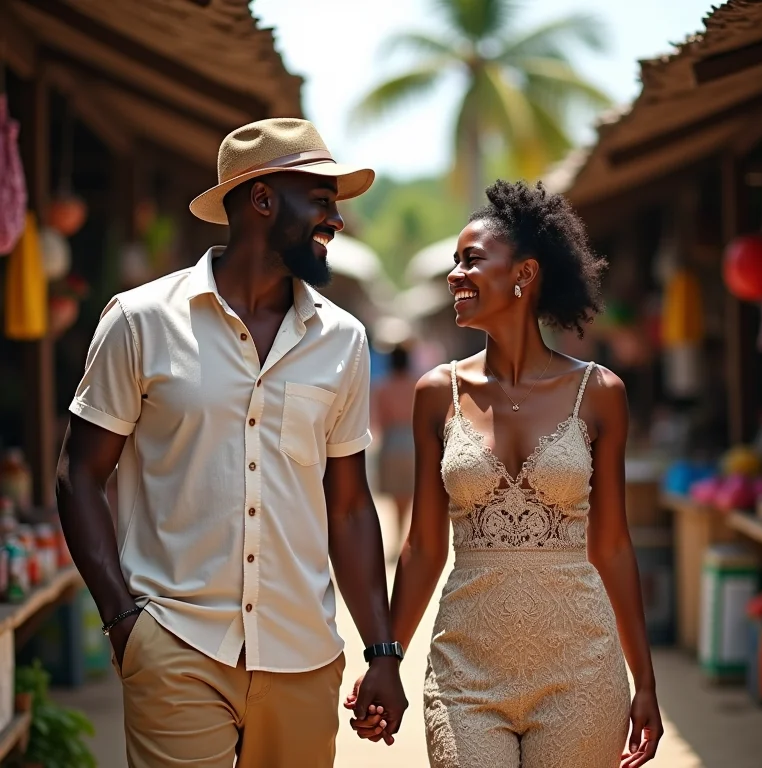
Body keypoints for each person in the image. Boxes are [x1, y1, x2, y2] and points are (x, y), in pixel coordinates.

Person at [56, 118, 407, 768]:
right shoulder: (140, 322)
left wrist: (381, 651)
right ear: (262, 200)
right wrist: (125, 624)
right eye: (321, 200)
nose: (335, 219)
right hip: (176, 645)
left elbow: (352, 506)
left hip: (302, 655)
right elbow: (79, 475)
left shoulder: (345, 342)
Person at [347, 180, 663, 767]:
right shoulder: (435, 393)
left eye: (471, 259)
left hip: (582, 670)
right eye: (454, 262)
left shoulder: (600, 394)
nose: (455, 275)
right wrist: (385, 659)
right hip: (464, 671)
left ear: (525, 274)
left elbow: (614, 546)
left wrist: (643, 679)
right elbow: (421, 547)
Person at [374, 344, 418, 552]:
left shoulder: (383, 386)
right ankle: (406, 539)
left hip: (392, 442)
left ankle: (399, 537)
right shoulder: (416, 384)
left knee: (395, 499)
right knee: (409, 496)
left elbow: (380, 420)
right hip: (412, 442)